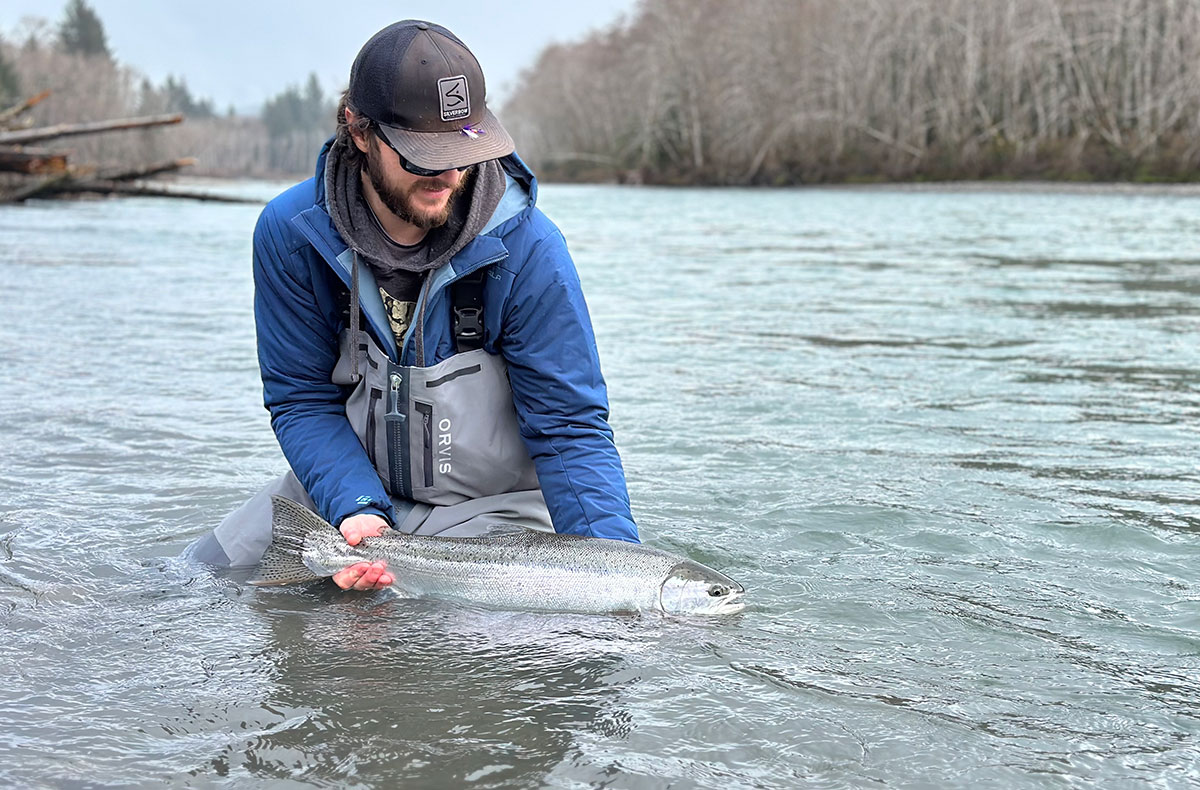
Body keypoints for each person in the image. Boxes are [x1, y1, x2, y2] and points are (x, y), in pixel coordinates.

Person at [186, 20, 639, 589]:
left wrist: (619, 577)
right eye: (424, 156)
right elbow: (301, 398)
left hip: (495, 514)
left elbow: (569, 428)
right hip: (343, 490)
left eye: (464, 150)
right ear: (359, 130)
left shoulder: (530, 249)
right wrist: (357, 510)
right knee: (189, 586)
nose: (451, 175)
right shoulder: (291, 233)